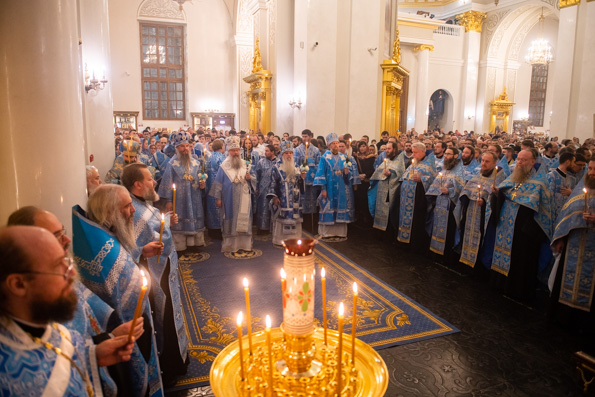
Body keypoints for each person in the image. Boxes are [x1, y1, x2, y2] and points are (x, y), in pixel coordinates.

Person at [0, 226, 135, 396]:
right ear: (18, 284)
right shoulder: (6, 375)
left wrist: (93, 355)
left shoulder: (49, 325)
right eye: (58, 265)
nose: (71, 272)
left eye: (67, 261)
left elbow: (55, 358)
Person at [72, 184, 164, 396]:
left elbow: (124, 253)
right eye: (127, 206)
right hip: (123, 336)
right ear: (108, 212)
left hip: (135, 325)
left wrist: (140, 251)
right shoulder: (99, 250)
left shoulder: (103, 232)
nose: (133, 210)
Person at [121, 163, 189, 386]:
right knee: (164, 317)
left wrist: (166, 222)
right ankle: (169, 366)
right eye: (150, 179)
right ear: (138, 184)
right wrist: (142, 250)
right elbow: (130, 245)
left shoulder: (141, 204)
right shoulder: (133, 211)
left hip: (163, 269)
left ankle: (177, 358)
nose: (154, 182)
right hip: (155, 274)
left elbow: (154, 230)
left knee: (170, 313)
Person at [489, 150, 553, 301]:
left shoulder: (540, 182)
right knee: (502, 252)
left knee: (520, 258)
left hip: (524, 229)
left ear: (533, 161)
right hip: (506, 225)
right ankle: (500, 283)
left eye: (524, 160)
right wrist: (497, 194)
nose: (520, 163)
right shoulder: (513, 177)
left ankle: (516, 289)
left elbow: (544, 208)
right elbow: (506, 193)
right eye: (518, 160)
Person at [550, 158, 595, 315]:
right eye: (590, 169)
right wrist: (561, 238)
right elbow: (566, 214)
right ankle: (564, 315)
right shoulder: (581, 189)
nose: (592, 173)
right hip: (573, 245)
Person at [455, 151, 506, 269]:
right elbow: (466, 191)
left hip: (485, 217)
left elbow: (501, 197)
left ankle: (478, 267)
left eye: (487, 161)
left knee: (482, 240)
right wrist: (466, 197)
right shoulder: (477, 174)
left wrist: (485, 202)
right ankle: (466, 264)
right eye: (482, 160)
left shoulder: (499, 178)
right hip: (470, 212)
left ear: (495, 163)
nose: (483, 164)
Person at [158, 131, 207, 251]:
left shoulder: (196, 162)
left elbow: (200, 179)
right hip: (179, 200)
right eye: (182, 146)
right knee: (179, 222)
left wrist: (202, 185)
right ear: (177, 147)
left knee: (195, 218)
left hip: (194, 198)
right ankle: (181, 246)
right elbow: (167, 182)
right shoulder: (172, 164)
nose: (185, 149)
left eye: (187, 146)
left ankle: (194, 244)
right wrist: (169, 200)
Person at [209, 136, 256, 253]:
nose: (235, 153)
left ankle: (245, 245)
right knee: (231, 220)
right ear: (228, 151)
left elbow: (255, 179)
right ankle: (231, 246)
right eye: (233, 150)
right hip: (229, 199)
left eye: (237, 150)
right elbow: (218, 183)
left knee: (243, 221)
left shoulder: (245, 164)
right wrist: (218, 198)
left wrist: (250, 178)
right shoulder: (224, 166)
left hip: (244, 197)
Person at [393, 142, 436, 251]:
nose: (413, 154)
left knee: (416, 222)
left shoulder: (430, 164)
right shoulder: (412, 163)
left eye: (415, 152)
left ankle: (414, 245)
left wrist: (422, 179)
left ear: (423, 151)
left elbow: (434, 180)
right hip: (405, 199)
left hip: (418, 200)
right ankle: (403, 241)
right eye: (412, 152)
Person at [426, 147, 465, 261]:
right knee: (436, 227)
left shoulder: (459, 171)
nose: (446, 156)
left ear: (455, 156)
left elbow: (461, 188)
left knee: (449, 231)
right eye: (445, 154)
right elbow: (435, 185)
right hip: (439, 204)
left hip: (450, 206)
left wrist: (450, 191)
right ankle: (435, 253)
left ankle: (446, 256)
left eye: (449, 154)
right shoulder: (443, 170)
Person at [313, 133, 354, 239]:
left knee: (340, 208)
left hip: (340, 188)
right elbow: (321, 173)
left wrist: (346, 172)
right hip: (329, 188)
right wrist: (323, 189)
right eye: (333, 144)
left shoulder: (344, 157)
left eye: (337, 143)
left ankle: (340, 232)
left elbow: (348, 177)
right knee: (328, 208)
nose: (336, 145)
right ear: (329, 145)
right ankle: (327, 232)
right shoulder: (324, 158)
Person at [267, 141, 306, 245]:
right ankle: (281, 240)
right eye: (286, 153)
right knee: (282, 219)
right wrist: (275, 197)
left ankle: (295, 239)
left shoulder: (297, 166)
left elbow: (300, 183)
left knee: (295, 219)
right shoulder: (276, 167)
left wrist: (302, 178)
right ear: (282, 154)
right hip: (283, 198)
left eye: (290, 153)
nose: (289, 155)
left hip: (295, 198)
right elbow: (272, 183)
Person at [368, 141, 405, 233]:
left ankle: (390, 233)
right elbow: (377, 173)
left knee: (390, 213)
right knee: (380, 210)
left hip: (391, 192)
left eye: (389, 149)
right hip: (381, 191)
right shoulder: (386, 160)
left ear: (394, 149)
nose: (387, 151)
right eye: (386, 149)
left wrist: (391, 174)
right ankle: (380, 232)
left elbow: (401, 174)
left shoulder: (399, 161)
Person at [293, 129, 321, 219]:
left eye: (306, 136)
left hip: (312, 180)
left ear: (310, 137)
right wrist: (301, 170)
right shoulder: (297, 150)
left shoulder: (316, 150)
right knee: (302, 199)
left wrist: (312, 167)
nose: (304, 138)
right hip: (302, 179)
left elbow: (319, 164)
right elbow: (295, 164)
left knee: (312, 199)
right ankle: (303, 219)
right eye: (303, 136)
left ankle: (311, 219)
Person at [252, 144, 277, 234]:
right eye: (265, 151)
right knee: (262, 208)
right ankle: (262, 228)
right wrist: (256, 187)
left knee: (273, 208)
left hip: (274, 190)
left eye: (267, 151)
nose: (265, 153)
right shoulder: (261, 162)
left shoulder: (278, 162)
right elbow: (256, 175)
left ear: (272, 152)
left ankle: (273, 228)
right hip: (263, 190)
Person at [205, 139, 226, 239]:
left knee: (211, 209)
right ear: (222, 146)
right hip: (219, 187)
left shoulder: (210, 157)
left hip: (210, 187)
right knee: (219, 209)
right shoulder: (222, 158)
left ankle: (211, 230)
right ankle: (219, 231)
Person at [547, 152, 576, 221]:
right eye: (573, 162)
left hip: (566, 216)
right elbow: (548, 198)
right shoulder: (551, 176)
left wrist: (571, 193)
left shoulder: (571, 179)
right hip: (553, 216)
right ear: (568, 162)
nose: (574, 165)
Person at [338, 140, 361, 222]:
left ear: (345, 147)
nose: (341, 148)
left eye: (342, 146)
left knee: (348, 201)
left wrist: (355, 183)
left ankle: (349, 219)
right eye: (339, 146)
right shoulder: (335, 158)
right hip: (337, 183)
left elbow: (354, 170)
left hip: (347, 183)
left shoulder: (350, 158)